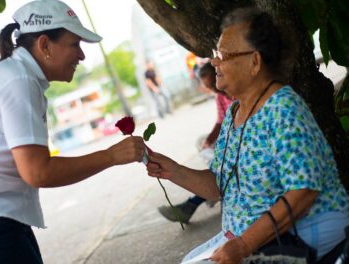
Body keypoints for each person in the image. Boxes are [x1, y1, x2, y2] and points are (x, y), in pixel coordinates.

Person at [0, 1, 145, 263]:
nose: (82, 56)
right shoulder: (18, 80)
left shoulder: (18, 77)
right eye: (75, 44)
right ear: (44, 44)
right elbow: (38, 172)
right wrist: (111, 156)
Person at [147, 7, 349, 264]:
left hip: (305, 234)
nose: (214, 62)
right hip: (253, 238)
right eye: (214, 54)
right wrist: (171, 170)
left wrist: (243, 244)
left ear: (254, 62)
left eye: (223, 54)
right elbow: (219, 186)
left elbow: (303, 192)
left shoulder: (282, 108)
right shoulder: (234, 113)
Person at [157, 63, 233, 223]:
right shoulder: (220, 96)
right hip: (231, 141)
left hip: (236, 144)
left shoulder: (234, 92)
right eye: (209, 87)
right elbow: (220, 121)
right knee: (203, 145)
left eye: (213, 83)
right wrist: (209, 141)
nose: (214, 88)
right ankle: (201, 200)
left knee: (223, 171)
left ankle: (193, 204)